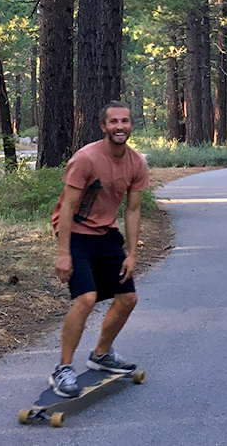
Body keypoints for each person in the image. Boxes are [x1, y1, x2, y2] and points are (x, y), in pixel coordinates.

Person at [48, 101, 150, 397]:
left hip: (106, 234)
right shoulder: (86, 158)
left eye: (125, 121)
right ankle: (64, 368)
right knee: (86, 298)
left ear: (131, 125)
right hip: (77, 233)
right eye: (114, 122)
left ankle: (101, 355)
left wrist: (132, 253)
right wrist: (64, 252)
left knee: (128, 298)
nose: (120, 126)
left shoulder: (136, 162)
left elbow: (132, 210)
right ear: (103, 126)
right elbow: (66, 206)